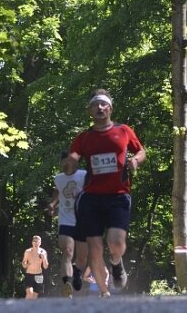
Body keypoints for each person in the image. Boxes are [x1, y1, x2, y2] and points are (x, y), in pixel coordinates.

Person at [62, 88, 146, 298]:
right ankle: (104, 292)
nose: (99, 107)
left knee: (115, 242)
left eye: (103, 104)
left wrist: (135, 160)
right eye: (95, 104)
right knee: (95, 247)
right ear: (90, 110)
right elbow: (72, 158)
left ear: (110, 108)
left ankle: (117, 262)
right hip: (91, 198)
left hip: (118, 194)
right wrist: (70, 162)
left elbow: (141, 150)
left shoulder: (124, 130)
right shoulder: (84, 137)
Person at [47, 152, 88, 298]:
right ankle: (66, 284)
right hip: (66, 220)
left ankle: (77, 271)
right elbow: (57, 192)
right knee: (67, 251)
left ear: (74, 162)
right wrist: (52, 204)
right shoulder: (58, 178)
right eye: (62, 163)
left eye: (67, 162)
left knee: (82, 258)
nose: (64, 165)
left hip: (83, 220)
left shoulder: (84, 175)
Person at [21, 235, 49, 299]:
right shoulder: (27, 252)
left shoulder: (43, 252)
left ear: (40, 243)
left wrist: (44, 259)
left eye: (37, 242)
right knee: (29, 293)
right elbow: (23, 262)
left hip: (39, 275)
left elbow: (45, 266)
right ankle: (26, 307)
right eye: (34, 241)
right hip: (29, 274)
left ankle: (31, 308)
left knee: (35, 296)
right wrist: (25, 264)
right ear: (32, 242)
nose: (36, 243)